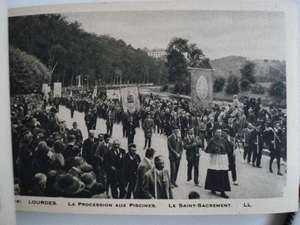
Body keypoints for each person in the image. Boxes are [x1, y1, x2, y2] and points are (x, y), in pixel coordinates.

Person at [204, 129, 231, 198]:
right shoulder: (212, 141)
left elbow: (228, 149)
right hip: (215, 158)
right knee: (213, 172)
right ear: (215, 133)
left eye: (220, 133)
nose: (219, 134)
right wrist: (214, 150)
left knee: (222, 173)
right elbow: (208, 150)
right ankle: (212, 187)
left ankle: (222, 191)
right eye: (218, 132)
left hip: (222, 159)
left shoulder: (224, 141)